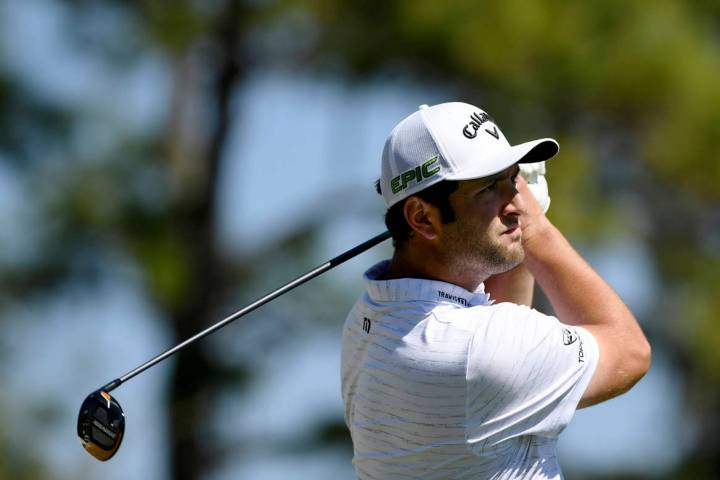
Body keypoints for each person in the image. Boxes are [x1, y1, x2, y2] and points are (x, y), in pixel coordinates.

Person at [340, 102, 651, 479]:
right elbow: (629, 352)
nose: (518, 204)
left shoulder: (368, 320)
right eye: (489, 188)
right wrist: (538, 228)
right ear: (422, 217)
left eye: (513, 179)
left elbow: (499, 332)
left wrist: (512, 227)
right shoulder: (476, 351)